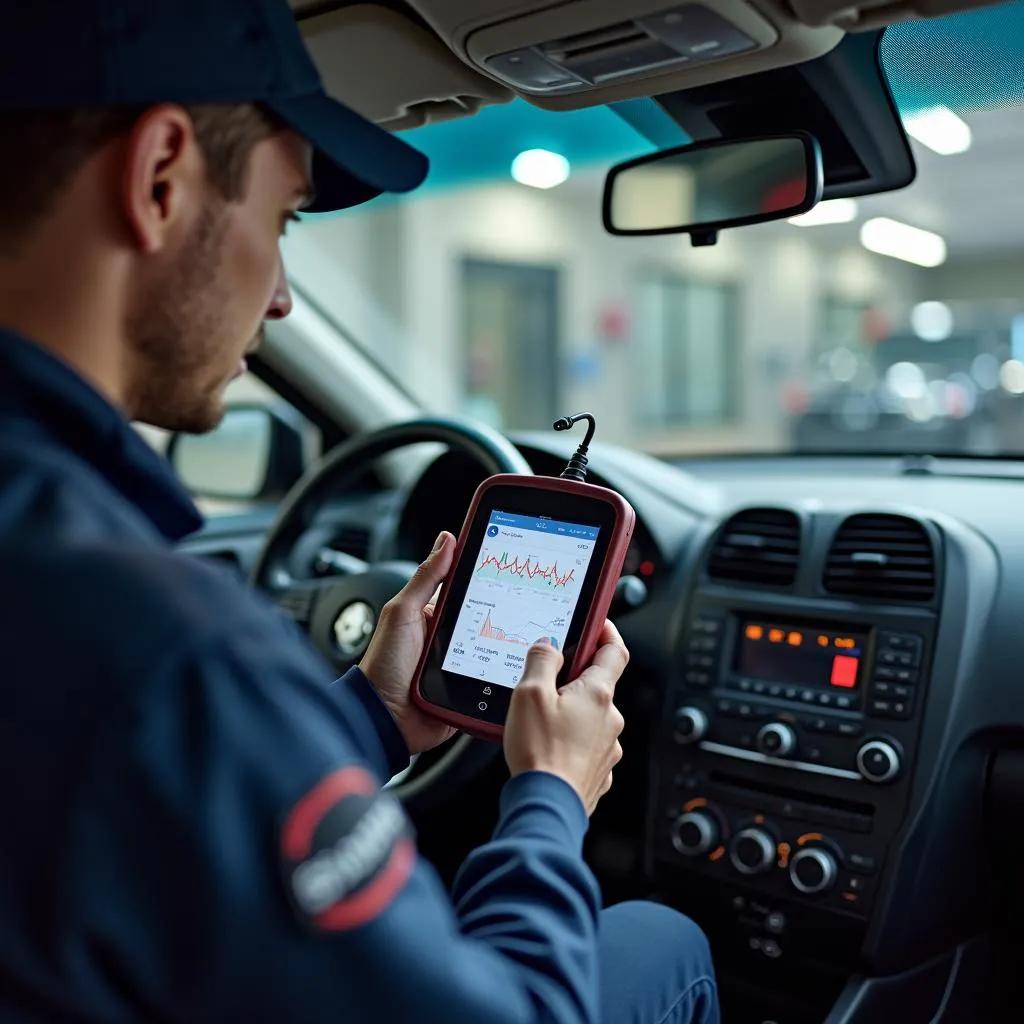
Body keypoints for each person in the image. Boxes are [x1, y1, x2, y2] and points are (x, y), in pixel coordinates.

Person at [0, 2, 719, 1022]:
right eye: (284, 220)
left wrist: (370, 719)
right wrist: (550, 799)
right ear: (160, 176)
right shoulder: (171, 655)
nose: (284, 296)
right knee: (662, 938)